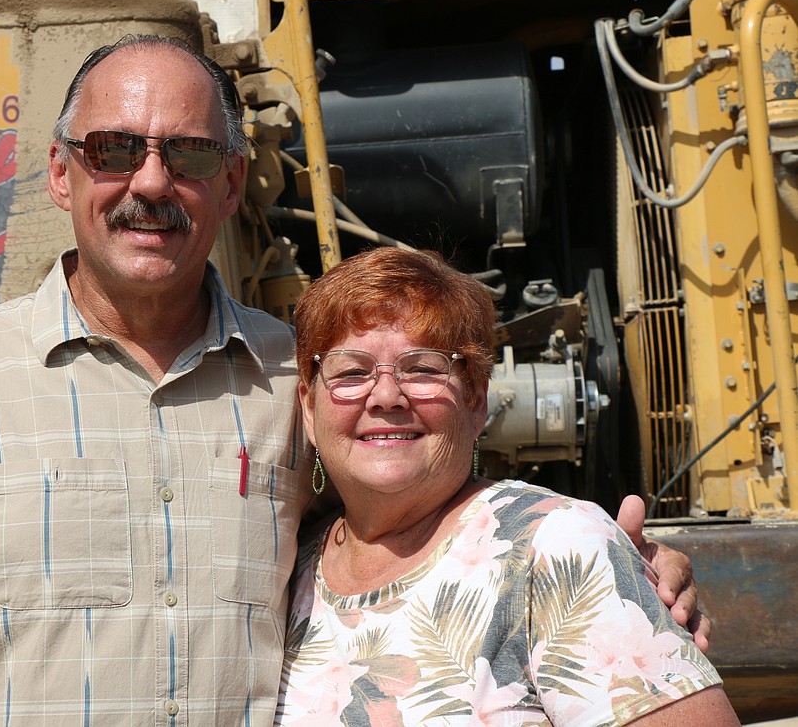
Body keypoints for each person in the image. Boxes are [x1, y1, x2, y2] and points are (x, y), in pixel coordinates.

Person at [0, 35, 708, 725]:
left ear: (230, 182)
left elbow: (420, 534)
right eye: (114, 149)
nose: (150, 181)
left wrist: (607, 581)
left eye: (190, 153)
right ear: (59, 173)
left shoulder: (299, 377)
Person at [276, 246, 737, 725]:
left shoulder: (555, 549)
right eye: (352, 371)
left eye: (423, 369)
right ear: (310, 409)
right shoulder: (288, 566)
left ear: (477, 402)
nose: (387, 396)